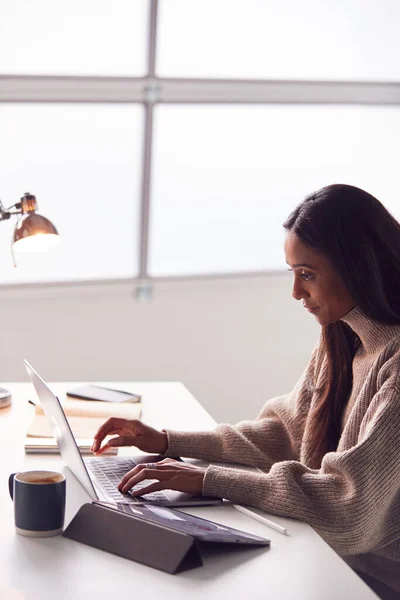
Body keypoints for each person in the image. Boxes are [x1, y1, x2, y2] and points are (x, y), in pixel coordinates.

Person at [91, 184, 400, 599]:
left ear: (358, 266)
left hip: (372, 580)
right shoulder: (341, 339)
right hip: (322, 553)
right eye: (292, 274)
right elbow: (286, 434)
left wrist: (209, 480)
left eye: (307, 274)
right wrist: (168, 440)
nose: (296, 293)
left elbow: (350, 505)